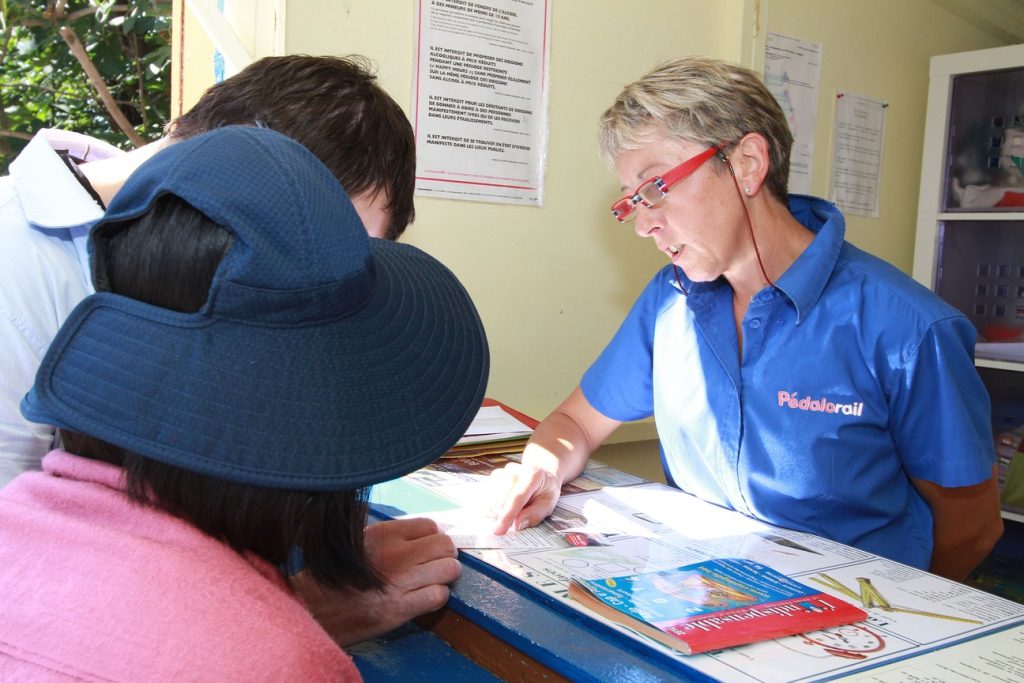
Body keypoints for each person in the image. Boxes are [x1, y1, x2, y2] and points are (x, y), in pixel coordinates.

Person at [0, 55, 459, 647]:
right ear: (229, 169)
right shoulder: (15, 270)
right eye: (304, 254)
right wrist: (292, 615)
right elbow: (24, 594)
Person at [492, 56, 1003, 582]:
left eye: (654, 189)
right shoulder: (670, 300)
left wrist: (892, 617)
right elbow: (574, 423)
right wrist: (541, 469)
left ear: (747, 164)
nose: (643, 224)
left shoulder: (908, 330)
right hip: (706, 597)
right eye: (631, 202)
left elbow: (972, 527)